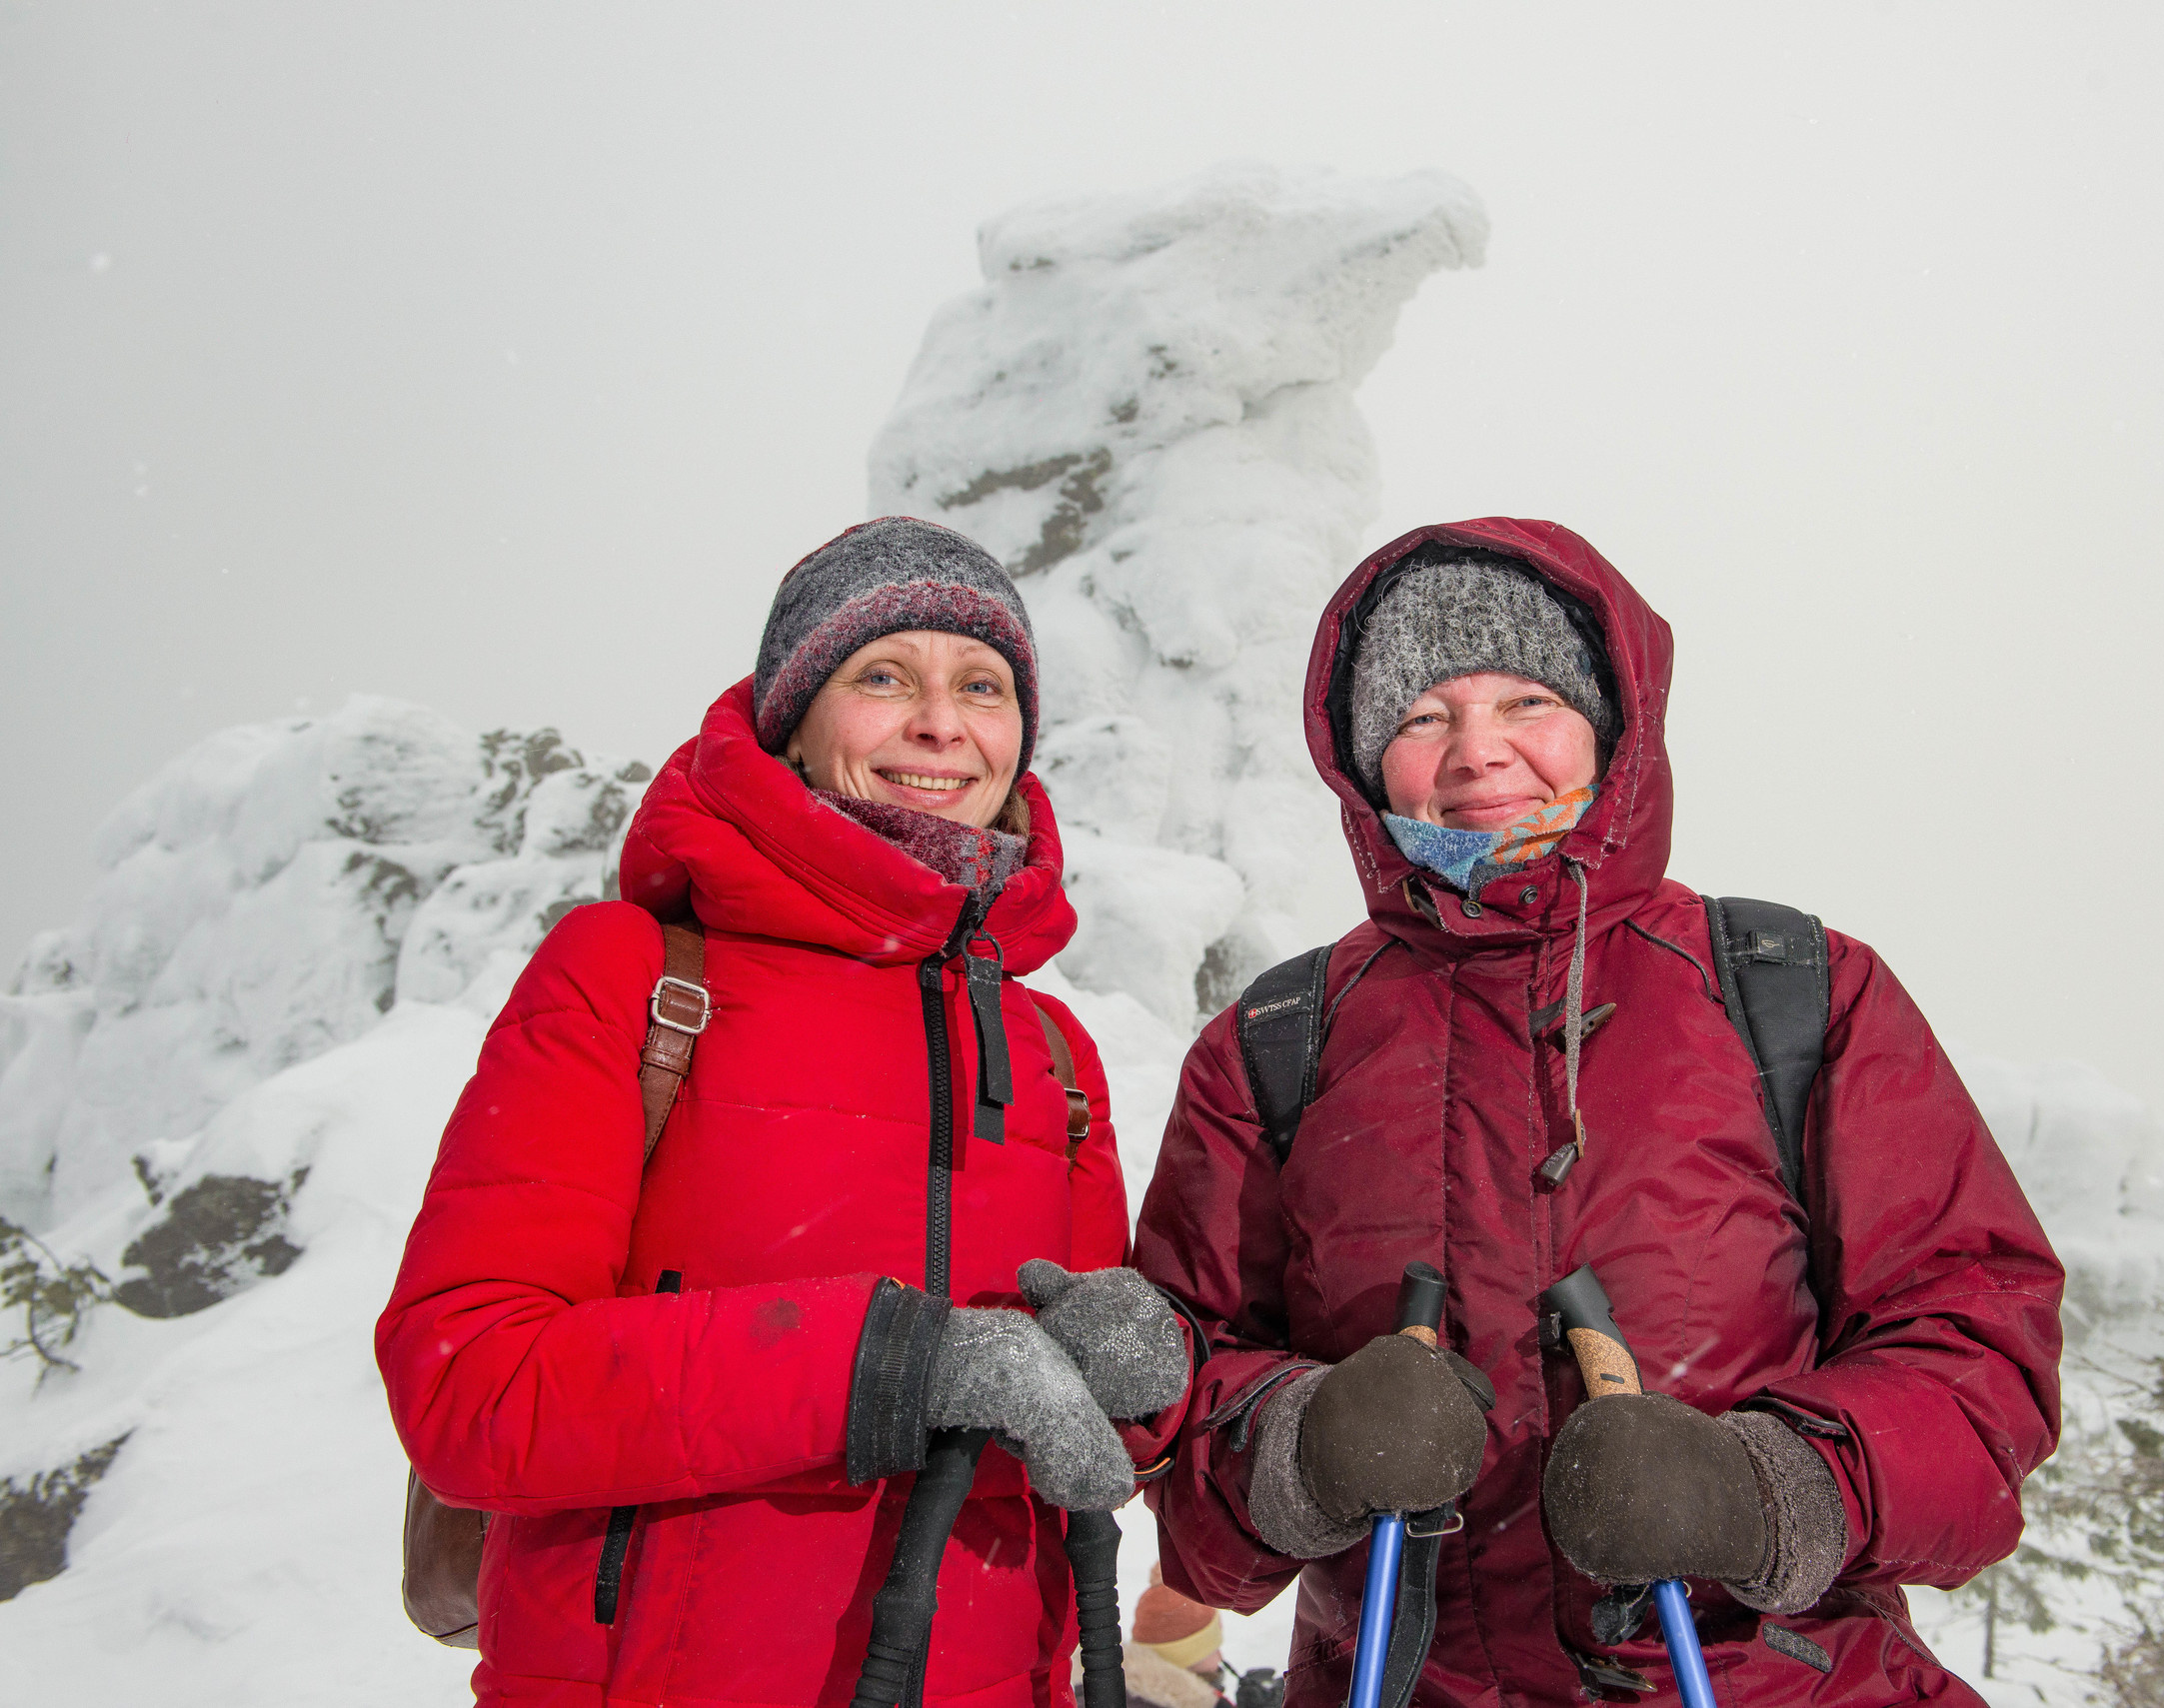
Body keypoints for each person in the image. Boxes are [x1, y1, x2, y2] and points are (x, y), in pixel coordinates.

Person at [1131, 520, 2066, 1708]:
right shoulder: (1274, 1042)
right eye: (1422, 716)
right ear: (1363, 760)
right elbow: (1182, 1409)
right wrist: (1303, 1446)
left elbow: (1979, 1348)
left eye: (1528, 698)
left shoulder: (1794, 989)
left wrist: (1764, 1486)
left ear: (1613, 724)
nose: (1479, 752)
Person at [379, 517, 1189, 1708]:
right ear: (792, 726)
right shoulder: (637, 976)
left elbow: (1065, 1440)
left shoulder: (1052, 1051)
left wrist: (1139, 1391)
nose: (941, 723)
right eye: (882, 677)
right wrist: (888, 1367)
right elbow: (472, 1387)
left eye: (983, 685)